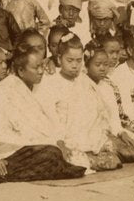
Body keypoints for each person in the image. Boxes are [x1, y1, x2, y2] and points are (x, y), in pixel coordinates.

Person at [0, 50, 86, 183]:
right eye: (36, 67)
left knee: (61, 152)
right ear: (20, 71)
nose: (41, 71)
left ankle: (54, 167)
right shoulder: (1, 91)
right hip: (3, 153)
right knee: (51, 154)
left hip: (28, 149)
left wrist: (59, 143)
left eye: (42, 66)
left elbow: (47, 125)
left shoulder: (39, 88)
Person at [41, 35, 121, 172]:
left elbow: (97, 111)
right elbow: (50, 117)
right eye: (70, 60)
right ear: (59, 59)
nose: (74, 65)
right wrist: (60, 142)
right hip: (64, 138)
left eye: (78, 61)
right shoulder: (51, 83)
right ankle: (83, 158)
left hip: (87, 136)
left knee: (117, 158)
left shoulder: (84, 80)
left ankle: (89, 155)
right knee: (72, 159)